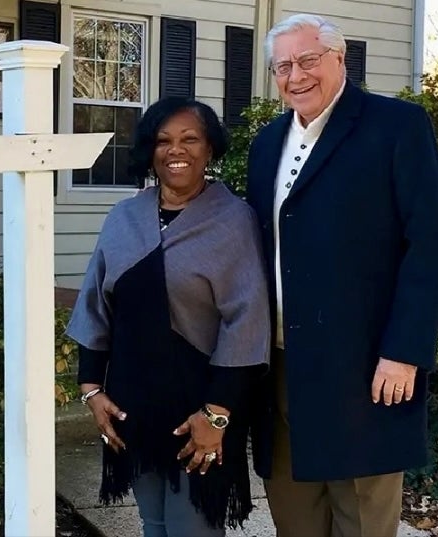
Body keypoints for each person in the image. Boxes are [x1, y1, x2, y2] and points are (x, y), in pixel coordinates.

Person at [245, 13, 438, 537]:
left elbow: (430, 244)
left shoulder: (396, 127)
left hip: (365, 372)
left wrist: (405, 350)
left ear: (340, 60)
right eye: (283, 66)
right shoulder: (266, 144)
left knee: (361, 519)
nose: (296, 75)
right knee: (295, 521)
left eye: (309, 60)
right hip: (279, 368)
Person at [67, 96, 270, 537]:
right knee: (153, 524)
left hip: (201, 409)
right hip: (132, 407)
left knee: (191, 529)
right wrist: (91, 390)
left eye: (190, 139)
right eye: (163, 141)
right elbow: (95, 304)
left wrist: (216, 416)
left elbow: (247, 322)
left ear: (210, 148)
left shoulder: (233, 220)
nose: (175, 150)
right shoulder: (124, 217)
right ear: (150, 150)